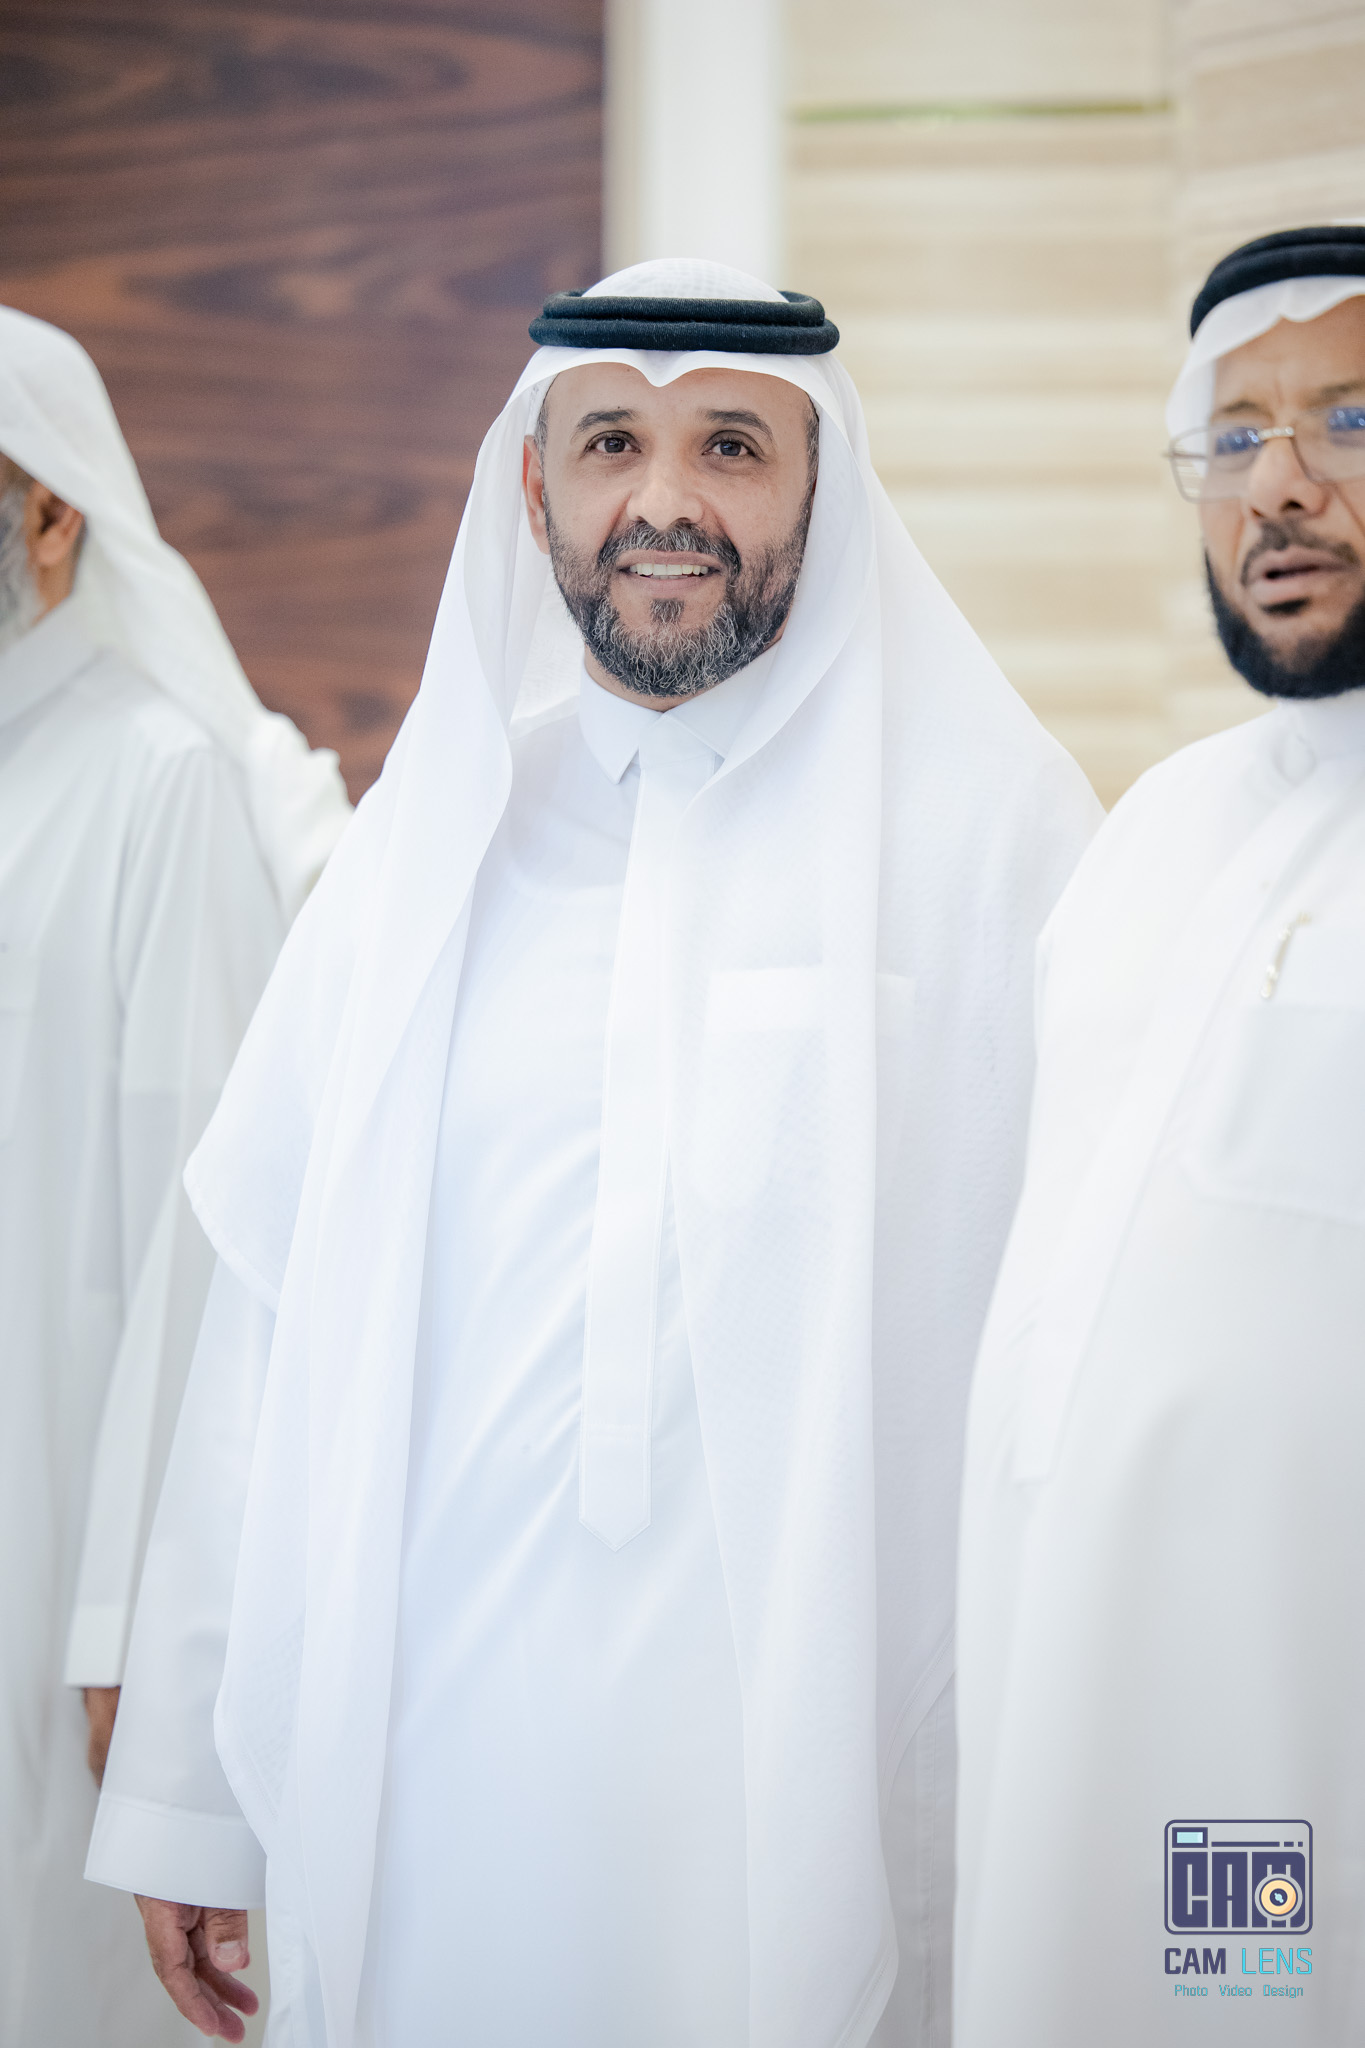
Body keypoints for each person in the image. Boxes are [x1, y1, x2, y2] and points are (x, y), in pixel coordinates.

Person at [88, 258, 1099, 2048]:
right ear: (533, 485)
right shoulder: (430, 846)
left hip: (813, 1777)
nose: (665, 500)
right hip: (437, 1763)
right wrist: (189, 1786)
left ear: (822, 482)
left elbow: (1071, 1364)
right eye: (611, 441)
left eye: (733, 445)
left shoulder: (987, 846)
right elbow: (267, 1329)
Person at [954, 223, 1365, 2046]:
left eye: (1349, 420)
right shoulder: (1153, 836)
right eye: (1234, 434)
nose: (1277, 486)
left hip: (1293, 1730)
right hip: (1074, 1689)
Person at [0, 307, 350, 2048]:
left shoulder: (158, 779)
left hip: (64, 1522)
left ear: (49, 512)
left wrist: (129, 1614)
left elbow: (196, 1237)